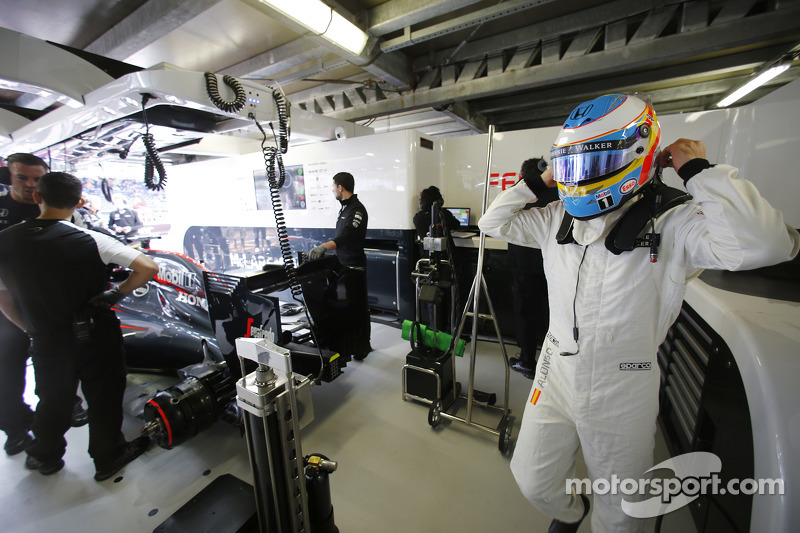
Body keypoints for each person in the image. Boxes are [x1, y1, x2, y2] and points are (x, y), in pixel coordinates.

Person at [478, 94, 799, 532]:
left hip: (624, 382)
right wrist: (542, 180)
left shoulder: (675, 222)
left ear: (636, 153)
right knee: (534, 479)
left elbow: (768, 243)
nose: (581, 178)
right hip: (556, 370)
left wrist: (697, 172)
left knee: (623, 512)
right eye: (574, 166)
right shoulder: (556, 219)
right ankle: (574, 513)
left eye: (592, 164)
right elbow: (492, 223)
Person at [0, 171, 160, 479]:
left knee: (52, 397)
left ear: (37, 197)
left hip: (45, 336)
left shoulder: (5, 241)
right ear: (79, 202)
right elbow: (147, 267)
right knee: (104, 396)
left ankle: (44, 456)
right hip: (95, 333)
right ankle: (108, 455)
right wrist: (115, 293)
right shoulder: (89, 238)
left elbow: (4, 299)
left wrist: (29, 328)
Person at [0, 154, 89, 457]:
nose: (28, 185)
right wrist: (25, 326)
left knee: (61, 364)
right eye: (21, 177)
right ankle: (15, 428)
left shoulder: (68, 214)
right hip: (10, 307)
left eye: (35, 179)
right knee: (7, 371)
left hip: (54, 306)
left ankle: (71, 405)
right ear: (9, 176)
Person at [308, 172, 371, 359]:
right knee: (344, 309)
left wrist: (324, 247)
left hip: (354, 268)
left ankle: (361, 349)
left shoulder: (357, 210)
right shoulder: (344, 209)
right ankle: (346, 347)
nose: (333, 190)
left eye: (333, 187)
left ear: (340, 187)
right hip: (342, 267)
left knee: (358, 310)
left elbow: (347, 236)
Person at [506, 158, 559, 379]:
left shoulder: (518, 196)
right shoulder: (557, 196)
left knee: (525, 314)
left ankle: (527, 361)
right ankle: (553, 364)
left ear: (523, 175)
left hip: (524, 268)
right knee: (552, 314)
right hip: (551, 266)